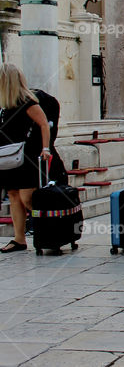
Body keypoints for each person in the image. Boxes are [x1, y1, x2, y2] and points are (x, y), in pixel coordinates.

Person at [0, 65, 53, 253]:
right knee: (13, 196)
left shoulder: (27, 102)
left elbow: (44, 124)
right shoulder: (4, 105)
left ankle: (50, 231)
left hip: (26, 157)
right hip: (7, 156)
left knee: (27, 197)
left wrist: (45, 148)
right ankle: (19, 239)